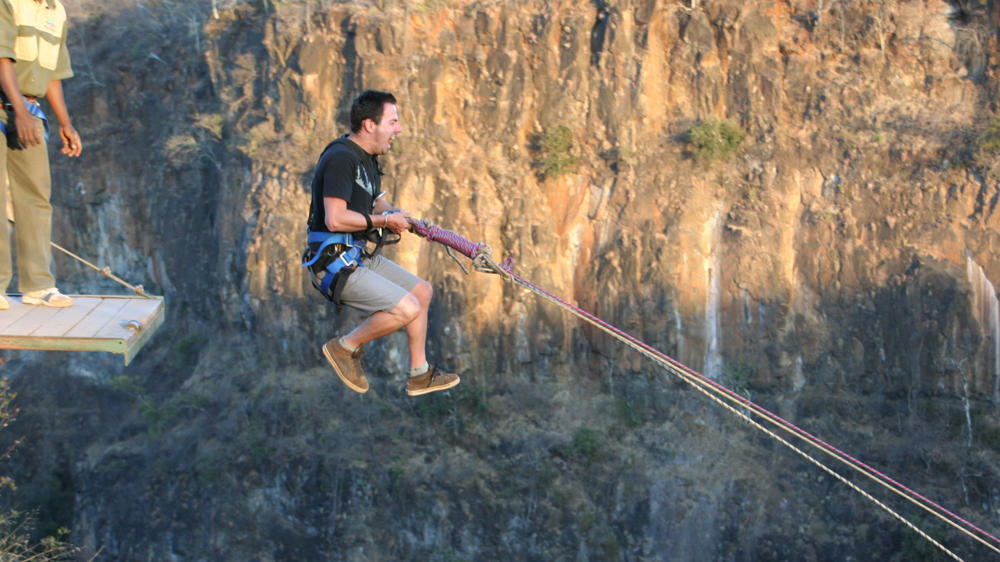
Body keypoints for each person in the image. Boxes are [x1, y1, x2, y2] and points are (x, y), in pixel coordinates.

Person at [306, 90, 459, 396]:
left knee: (422, 292)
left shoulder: (367, 160)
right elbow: (335, 218)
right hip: (334, 262)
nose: (398, 129)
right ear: (368, 125)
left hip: (356, 254)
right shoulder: (341, 158)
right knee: (407, 308)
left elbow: (375, 202)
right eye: (393, 121)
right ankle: (345, 347)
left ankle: (420, 373)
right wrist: (386, 222)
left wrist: (403, 218)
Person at [0, 0, 81, 310]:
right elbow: (2, 58)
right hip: (11, 106)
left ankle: (38, 286)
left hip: (28, 107)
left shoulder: (55, 11)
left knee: (36, 195)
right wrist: (18, 111)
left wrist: (65, 123)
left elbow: (54, 74)